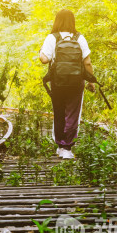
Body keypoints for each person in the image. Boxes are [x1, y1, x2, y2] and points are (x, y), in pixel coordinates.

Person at [39, 9, 95, 159]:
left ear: (57, 21)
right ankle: (67, 148)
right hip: (76, 82)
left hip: (58, 82)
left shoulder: (52, 38)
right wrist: (91, 81)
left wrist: (41, 52)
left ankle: (60, 145)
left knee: (59, 113)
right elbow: (87, 62)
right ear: (73, 21)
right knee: (72, 113)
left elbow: (44, 59)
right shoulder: (79, 38)